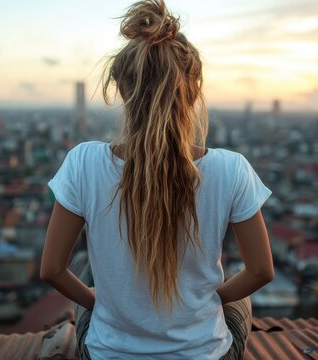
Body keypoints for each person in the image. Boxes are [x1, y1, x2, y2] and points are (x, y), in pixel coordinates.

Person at [40, 0, 274, 358]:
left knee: (89, 270)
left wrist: (95, 299)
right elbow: (260, 271)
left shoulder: (82, 163)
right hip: (204, 353)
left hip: (109, 353)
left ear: (122, 89)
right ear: (193, 90)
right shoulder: (232, 168)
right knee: (233, 293)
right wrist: (207, 301)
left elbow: (53, 269)